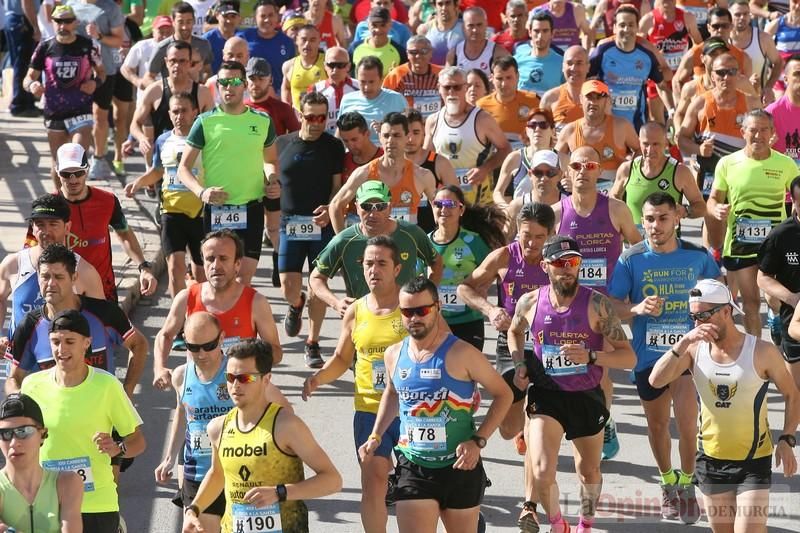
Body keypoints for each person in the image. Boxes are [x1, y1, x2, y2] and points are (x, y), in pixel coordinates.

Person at [359, 276, 513, 533]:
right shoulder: (394, 354)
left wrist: (478, 441)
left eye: (422, 310)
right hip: (413, 465)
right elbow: (393, 392)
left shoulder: (462, 353)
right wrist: (376, 434)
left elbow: (503, 394)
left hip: (460, 465)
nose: (414, 318)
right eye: (408, 311)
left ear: (437, 308)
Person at [650, 279, 800, 533]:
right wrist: (683, 342)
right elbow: (656, 380)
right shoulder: (694, 350)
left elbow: (793, 394)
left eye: (703, 316)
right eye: (693, 316)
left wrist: (787, 438)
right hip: (711, 460)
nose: (697, 323)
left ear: (726, 311)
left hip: (753, 461)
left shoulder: (761, 351)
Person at [508, 235, 636, 533]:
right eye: (560, 263)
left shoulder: (597, 305)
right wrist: (519, 364)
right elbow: (514, 332)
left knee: (588, 471)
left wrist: (591, 355)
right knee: (540, 469)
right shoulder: (530, 302)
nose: (567, 269)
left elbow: (628, 357)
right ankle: (557, 521)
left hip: (585, 396)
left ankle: (585, 523)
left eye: (574, 262)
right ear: (545, 266)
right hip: (546, 394)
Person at [608, 192, 720, 523]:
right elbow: (612, 306)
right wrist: (635, 309)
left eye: (662, 218)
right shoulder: (631, 259)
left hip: (688, 355)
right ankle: (668, 481)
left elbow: (720, 296)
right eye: (649, 219)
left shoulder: (697, 257)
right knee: (657, 425)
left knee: (687, 424)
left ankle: (687, 484)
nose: (655, 226)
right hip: (648, 358)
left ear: (677, 218)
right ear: (641, 222)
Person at [458, 201, 555, 530]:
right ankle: (521, 433)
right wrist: (489, 310)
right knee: (509, 428)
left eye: (539, 238)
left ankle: (529, 507)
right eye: (526, 236)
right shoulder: (504, 256)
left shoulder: (557, 261)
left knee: (533, 423)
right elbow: (465, 287)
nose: (532, 244)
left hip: (546, 350)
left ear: (550, 235)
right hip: (509, 347)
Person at [182, 339, 343, 533]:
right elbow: (217, 475)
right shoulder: (218, 427)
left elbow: (332, 480)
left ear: (266, 379)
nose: (235, 385)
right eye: (230, 377)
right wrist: (194, 509)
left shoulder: (286, 425)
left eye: (245, 378)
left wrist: (280, 493)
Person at [302, 236, 407, 533]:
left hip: (413, 410)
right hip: (369, 411)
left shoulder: (413, 306)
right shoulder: (356, 311)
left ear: (397, 269)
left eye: (382, 263)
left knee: (417, 489)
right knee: (373, 481)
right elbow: (340, 358)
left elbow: (445, 347)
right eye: (368, 264)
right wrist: (318, 378)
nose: (374, 270)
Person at [155, 312, 287, 533]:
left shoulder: (239, 373)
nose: (202, 353)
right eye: (194, 347)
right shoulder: (181, 376)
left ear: (222, 338)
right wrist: (169, 458)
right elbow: (183, 414)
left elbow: (284, 411)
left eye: (209, 345)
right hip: (198, 474)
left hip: (241, 474)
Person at [553, 146, 642, 461]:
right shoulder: (557, 213)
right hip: (570, 305)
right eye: (576, 165)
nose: (582, 171)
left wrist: (634, 285)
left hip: (605, 305)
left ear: (599, 170)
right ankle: (592, 419)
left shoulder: (616, 209)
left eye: (589, 165)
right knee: (575, 370)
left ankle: (602, 423)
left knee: (600, 367)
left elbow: (637, 246)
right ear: (568, 172)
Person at [21, 309, 146, 532]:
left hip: (96, 506)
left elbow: (138, 441)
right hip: (48, 504)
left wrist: (118, 449)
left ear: (86, 343)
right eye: (55, 341)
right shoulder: (32, 386)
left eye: (70, 341)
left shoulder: (106, 386)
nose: (62, 349)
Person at [178, 60, 279, 287]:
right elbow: (183, 168)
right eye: (223, 82)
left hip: (251, 208)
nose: (228, 87)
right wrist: (202, 192)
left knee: (243, 278)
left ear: (244, 84)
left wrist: (272, 178)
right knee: (219, 278)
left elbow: (271, 160)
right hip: (217, 210)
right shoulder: (205, 121)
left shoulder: (262, 121)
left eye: (234, 82)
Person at [6, 244, 148, 399]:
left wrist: (127, 391)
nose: (51, 283)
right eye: (45, 277)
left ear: (74, 278)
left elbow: (139, 344)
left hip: (102, 419)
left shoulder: (104, 313)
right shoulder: (29, 325)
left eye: (59, 277)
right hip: (53, 420)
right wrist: (17, 398)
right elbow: (13, 378)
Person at [153, 230, 283, 390]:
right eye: (210, 259)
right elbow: (165, 335)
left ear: (237, 264)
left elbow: (276, 353)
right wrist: (159, 367)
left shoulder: (256, 302)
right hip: (200, 390)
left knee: (283, 410)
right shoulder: (187, 297)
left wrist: (247, 355)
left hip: (242, 389)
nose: (216, 265)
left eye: (223, 258)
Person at [707, 110, 797, 335]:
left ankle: (776, 318)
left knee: (774, 298)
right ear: (742, 132)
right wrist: (716, 209)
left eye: (764, 130)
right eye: (753, 130)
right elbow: (713, 199)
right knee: (751, 304)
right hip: (740, 243)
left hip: (775, 243)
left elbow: (798, 197)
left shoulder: (785, 164)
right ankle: (754, 356)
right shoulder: (728, 163)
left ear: (772, 133)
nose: (758, 135)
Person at [275, 91, 345, 368]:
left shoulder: (333, 146)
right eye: (310, 116)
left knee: (319, 285)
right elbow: (269, 179)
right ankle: (295, 303)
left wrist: (330, 208)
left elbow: (337, 186)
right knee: (288, 288)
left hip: (321, 224)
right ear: (299, 114)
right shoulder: (282, 144)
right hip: (290, 224)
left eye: (322, 117)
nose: (317, 123)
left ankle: (313, 342)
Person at [125, 92, 207, 299]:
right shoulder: (163, 140)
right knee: (175, 267)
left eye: (184, 110)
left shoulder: (206, 139)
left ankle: (201, 315)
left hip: (200, 213)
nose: (180, 116)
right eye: (175, 111)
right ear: (169, 114)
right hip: (171, 211)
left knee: (201, 272)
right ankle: (178, 322)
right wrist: (138, 182)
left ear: (195, 112)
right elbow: (158, 170)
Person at [55, 143, 158, 301]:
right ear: (57, 171)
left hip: (104, 291)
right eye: (66, 174)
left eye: (78, 172)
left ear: (87, 169)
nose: (73, 179)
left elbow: (124, 233)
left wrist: (144, 267)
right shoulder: (48, 206)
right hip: (63, 294)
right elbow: (32, 252)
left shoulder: (107, 200)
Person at [0, 194, 104, 342]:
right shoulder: (13, 264)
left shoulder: (85, 272)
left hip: (64, 361)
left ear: (67, 227)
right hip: (20, 362)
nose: (46, 231)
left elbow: (100, 322)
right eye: (40, 224)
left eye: (53, 224)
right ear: (32, 227)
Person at [24, 5, 105, 190]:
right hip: (54, 112)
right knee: (58, 164)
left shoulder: (87, 45)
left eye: (67, 21)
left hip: (81, 111)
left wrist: (95, 83)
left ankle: (78, 202)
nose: (63, 25)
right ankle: (61, 202)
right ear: (52, 22)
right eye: (58, 21)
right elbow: (28, 77)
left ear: (75, 22)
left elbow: (102, 72)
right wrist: (32, 85)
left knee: (76, 159)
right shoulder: (45, 47)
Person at [330, 112, 438, 231]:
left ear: (407, 137)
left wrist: (438, 237)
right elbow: (335, 206)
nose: (390, 141)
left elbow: (440, 207)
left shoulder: (422, 175)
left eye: (396, 135)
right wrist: (344, 243)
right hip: (372, 246)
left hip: (406, 246)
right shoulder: (364, 173)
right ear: (380, 137)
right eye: (386, 135)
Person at [428, 185, 505, 349]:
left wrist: (483, 285)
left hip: (468, 322)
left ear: (461, 210)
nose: (443, 209)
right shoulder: (424, 243)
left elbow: (495, 269)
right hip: (433, 322)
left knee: (468, 373)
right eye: (438, 204)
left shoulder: (473, 241)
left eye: (450, 204)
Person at [425, 66, 512, 206]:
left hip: (479, 201)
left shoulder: (482, 119)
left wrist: (485, 169)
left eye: (457, 87)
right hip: (447, 202)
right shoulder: (433, 121)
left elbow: (505, 149)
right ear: (439, 88)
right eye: (447, 87)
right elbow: (427, 157)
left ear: (465, 87)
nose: (452, 92)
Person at [0, 393, 83, 532]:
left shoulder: (68, 482)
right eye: (5, 433)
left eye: (23, 431)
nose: (14, 443)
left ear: (42, 434)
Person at [130, 40, 214, 177]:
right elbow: (135, 123)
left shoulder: (202, 93)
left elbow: (212, 127)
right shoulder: (154, 91)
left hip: (193, 160)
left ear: (190, 63)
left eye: (182, 61)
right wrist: (142, 138)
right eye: (173, 61)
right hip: (162, 161)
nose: (177, 66)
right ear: (166, 61)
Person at [610, 121, 706, 232]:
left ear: (665, 143)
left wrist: (685, 210)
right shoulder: (627, 169)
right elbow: (613, 201)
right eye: (646, 144)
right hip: (634, 245)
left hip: (667, 246)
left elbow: (701, 208)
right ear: (639, 142)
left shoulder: (680, 172)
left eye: (655, 144)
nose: (650, 150)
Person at [589, 4, 670, 132]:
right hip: (605, 126)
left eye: (631, 25)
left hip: (636, 126)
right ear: (614, 28)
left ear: (637, 27)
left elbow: (662, 85)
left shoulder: (646, 56)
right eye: (622, 25)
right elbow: (584, 79)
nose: (626, 29)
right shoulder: (602, 52)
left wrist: (671, 111)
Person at [556, 80, 639, 193]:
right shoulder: (570, 130)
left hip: (614, 192)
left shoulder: (621, 126)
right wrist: (567, 178)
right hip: (580, 191)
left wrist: (630, 169)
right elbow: (555, 160)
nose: (593, 102)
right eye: (589, 97)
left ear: (607, 100)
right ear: (581, 99)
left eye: (599, 97)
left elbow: (640, 150)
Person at [761, 177, 800, 387]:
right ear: (793, 202)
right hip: (793, 321)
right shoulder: (780, 235)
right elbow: (763, 278)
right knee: (795, 392)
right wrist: (793, 299)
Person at [638, 0, 702, 122]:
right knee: (657, 121)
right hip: (658, 77)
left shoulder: (687, 17)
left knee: (682, 117)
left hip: (681, 76)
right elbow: (637, 48)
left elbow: (699, 45)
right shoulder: (649, 20)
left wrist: (696, 70)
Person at [403, 108, 459, 233]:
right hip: (399, 234)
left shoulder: (439, 162)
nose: (410, 139)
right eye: (406, 133)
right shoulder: (391, 163)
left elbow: (457, 201)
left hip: (433, 235)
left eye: (416, 132)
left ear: (424, 133)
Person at [476, 56, 541, 153]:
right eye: (499, 78)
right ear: (491, 78)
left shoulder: (534, 101)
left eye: (509, 78)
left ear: (517, 76)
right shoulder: (481, 106)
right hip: (493, 161)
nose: (504, 84)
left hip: (525, 160)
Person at [494, 110, 559, 206]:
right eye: (532, 125)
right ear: (527, 130)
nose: (537, 129)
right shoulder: (514, 158)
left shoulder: (562, 159)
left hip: (553, 218)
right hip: (520, 217)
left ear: (552, 131)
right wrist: (506, 209)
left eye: (543, 125)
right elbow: (498, 192)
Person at [338, 56, 408, 144]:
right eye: (362, 82)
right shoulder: (347, 100)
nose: (367, 87)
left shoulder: (397, 99)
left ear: (381, 80)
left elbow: (407, 132)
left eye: (371, 82)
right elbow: (340, 132)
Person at [145, 2, 214, 86]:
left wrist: (202, 86)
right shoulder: (162, 48)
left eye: (188, 22)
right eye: (180, 22)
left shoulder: (203, 44)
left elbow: (207, 70)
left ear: (194, 21)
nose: (184, 27)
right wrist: (164, 92)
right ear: (173, 22)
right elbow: (148, 77)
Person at [502, 149, 566, 237]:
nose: (544, 178)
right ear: (530, 175)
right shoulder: (517, 206)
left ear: (560, 175)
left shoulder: (568, 206)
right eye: (538, 173)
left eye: (550, 173)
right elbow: (504, 241)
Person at [729, 0, 783, 100]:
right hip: (731, 100)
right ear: (729, 16)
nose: (742, 18)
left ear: (750, 15)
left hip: (757, 101)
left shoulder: (763, 38)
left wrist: (768, 87)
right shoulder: (724, 40)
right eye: (737, 14)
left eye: (745, 14)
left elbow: (779, 62)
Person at [240, 0, 295, 93]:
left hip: (278, 98)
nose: (267, 20)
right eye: (263, 16)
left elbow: (291, 74)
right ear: (255, 18)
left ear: (277, 16)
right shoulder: (243, 38)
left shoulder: (287, 42)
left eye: (270, 15)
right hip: (249, 95)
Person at [383, 36, 442, 119]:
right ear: (407, 54)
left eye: (424, 51)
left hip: (435, 123)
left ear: (431, 53)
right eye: (413, 52)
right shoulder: (396, 74)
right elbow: (384, 99)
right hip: (405, 125)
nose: (418, 56)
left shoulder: (441, 74)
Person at [514, 12, 565, 97]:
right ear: (530, 32)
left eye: (545, 31)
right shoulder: (516, 61)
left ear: (552, 33)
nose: (540, 36)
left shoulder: (562, 63)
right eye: (536, 31)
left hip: (549, 110)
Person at [245, 57, 301, 135]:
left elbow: (297, 138)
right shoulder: (239, 109)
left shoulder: (283, 109)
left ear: (270, 80)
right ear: (245, 80)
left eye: (261, 79)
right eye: (252, 79)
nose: (256, 83)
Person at [539, 45, 588, 134]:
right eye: (569, 63)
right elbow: (541, 133)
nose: (573, 68)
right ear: (562, 67)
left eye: (579, 63)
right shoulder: (550, 98)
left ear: (588, 67)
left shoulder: (598, 98)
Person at [310, 46, 359, 134]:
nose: (335, 70)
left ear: (348, 66)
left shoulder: (359, 87)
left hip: (353, 140)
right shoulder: (315, 89)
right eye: (331, 65)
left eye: (340, 65)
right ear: (325, 66)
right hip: (326, 139)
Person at [446, 7, 509, 76]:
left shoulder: (499, 54)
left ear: (486, 25)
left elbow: (510, 82)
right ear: (463, 27)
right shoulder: (454, 55)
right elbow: (446, 82)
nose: (475, 30)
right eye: (470, 26)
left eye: (479, 25)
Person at [351, 7, 407, 76]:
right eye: (374, 25)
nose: (378, 30)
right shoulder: (354, 48)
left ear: (390, 24)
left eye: (383, 25)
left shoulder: (400, 51)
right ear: (368, 24)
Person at [281, 24, 327, 109]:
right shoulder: (288, 65)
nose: (307, 44)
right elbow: (286, 88)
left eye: (312, 40)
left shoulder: (327, 63)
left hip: (322, 118)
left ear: (319, 41)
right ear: (296, 40)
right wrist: (287, 108)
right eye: (304, 39)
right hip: (298, 119)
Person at [417, 0, 464, 66]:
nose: (444, 8)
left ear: (456, 5)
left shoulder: (466, 29)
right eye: (440, 4)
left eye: (448, 3)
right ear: (434, 6)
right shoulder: (424, 30)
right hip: (433, 75)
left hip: (459, 74)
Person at [203, 0, 241, 73]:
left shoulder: (243, 38)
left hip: (237, 82)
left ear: (239, 17)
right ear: (217, 15)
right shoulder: (206, 40)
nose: (229, 21)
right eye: (225, 16)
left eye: (233, 16)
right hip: (213, 82)